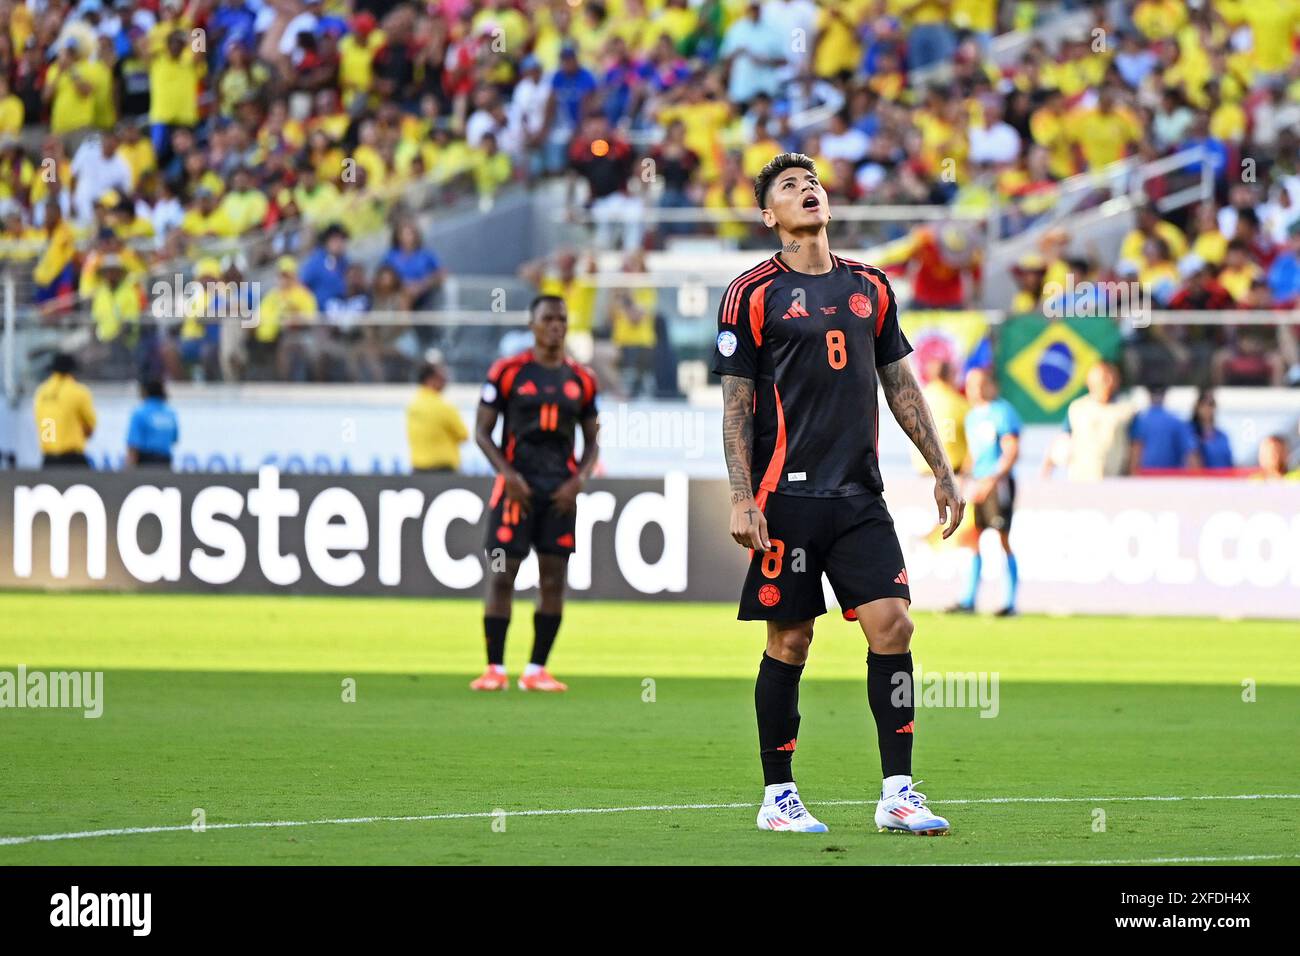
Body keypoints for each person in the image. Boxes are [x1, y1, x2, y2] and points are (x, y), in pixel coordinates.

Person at [711, 152, 965, 836]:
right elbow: (736, 404)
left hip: (859, 496)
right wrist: (742, 496)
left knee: (896, 625)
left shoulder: (872, 287)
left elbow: (902, 385)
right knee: (790, 641)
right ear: (770, 217)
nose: (807, 190)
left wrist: (941, 469)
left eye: (813, 182)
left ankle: (899, 790)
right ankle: (778, 796)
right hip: (784, 498)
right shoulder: (750, 293)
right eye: (790, 187)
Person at [472, 295, 600, 693]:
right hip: (516, 489)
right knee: (501, 575)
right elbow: (482, 431)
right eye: (548, 319)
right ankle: (494, 668)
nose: (556, 326)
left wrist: (578, 480)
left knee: (553, 580)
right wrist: (507, 475)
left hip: (559, 492)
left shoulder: (581, 379)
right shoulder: (508, 372)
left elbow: (593, 440)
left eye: (561, 319)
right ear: (532, 325)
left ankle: (536, 669)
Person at [950, 367, 1021, 616]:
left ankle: (1010, 602)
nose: (976, 390)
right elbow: (974, 453)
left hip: (997, 484)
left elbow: (1011, 451)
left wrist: (993, 479)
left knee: (1002, 537)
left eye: (981, 384)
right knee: (973, 537)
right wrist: (964, 478)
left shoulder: (1002, 412)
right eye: (971, 385)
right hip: (977, 483)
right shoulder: (972, 416)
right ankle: (968, 599)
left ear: (992, 386)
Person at [1043, 362, 1135, 481]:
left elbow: (1135, 447)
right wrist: (1046, 471)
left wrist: (1131, 477)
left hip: (1113, 480)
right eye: (1103, 378)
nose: (1108, 382)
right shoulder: (1077, 408)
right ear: (1090, 382)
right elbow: (1062, 440)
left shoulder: (1126, 410)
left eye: (1110, 377)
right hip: (1081, 479)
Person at [33, 353, 97, 468]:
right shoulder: (79, 392)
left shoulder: (41, 393)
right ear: (72, 371)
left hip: (48, 460)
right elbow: (90, 428)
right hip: (72, 459)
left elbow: (43, 423)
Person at [407, 356, 468, 473]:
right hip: (443, 470)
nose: (445, 380)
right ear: (430, 380)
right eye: (441, 377)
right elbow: (463, 435)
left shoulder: (412, 406)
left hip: (417, 470)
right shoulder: (443, 407)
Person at [1128, 384, 1190, 472]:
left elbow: (1136, 451)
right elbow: (1190, 453)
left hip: (1151, 476)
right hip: (1169, 477)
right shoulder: (1176, 420)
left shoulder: (1141, 420)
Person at [125, 379, 179, 469]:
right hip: (166, 462)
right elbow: (175, 439)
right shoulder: (170, 413)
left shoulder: (140, 412)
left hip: (145, 462)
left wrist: (129, 468)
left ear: (145, 392)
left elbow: (133, 444)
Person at [1185, 388, 1233, 469]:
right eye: (1203, 404)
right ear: (1197, 407)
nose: (1207, 408)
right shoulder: (1188, 433)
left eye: (1211, 404)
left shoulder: (1222, 437)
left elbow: (1229, 464)